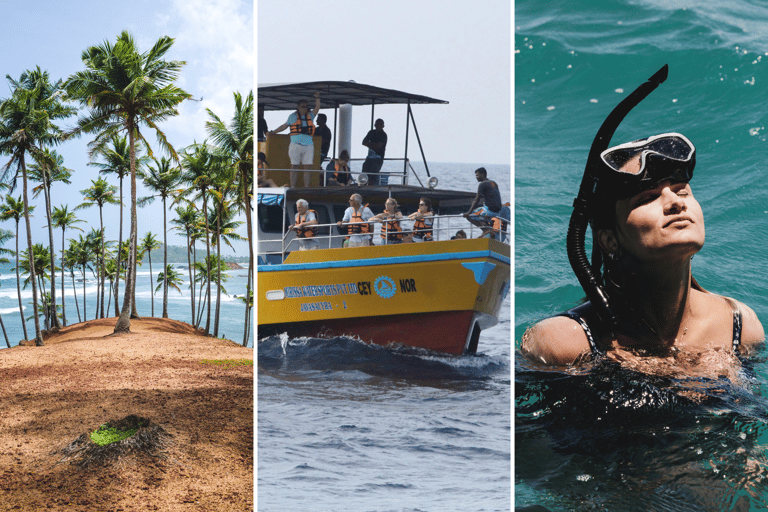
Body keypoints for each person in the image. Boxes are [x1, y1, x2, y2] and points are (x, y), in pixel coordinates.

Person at [268, 92, 322, 188]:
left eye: (305, 106)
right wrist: (273, 132)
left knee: (307, 167)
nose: (304, 108)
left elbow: (317, 108)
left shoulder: (310, 115)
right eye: (302, 106)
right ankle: (292, 187)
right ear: (298, 107)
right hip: (295, 144)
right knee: (294, 166)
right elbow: (284, 126)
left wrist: (317, 97)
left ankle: (306, 188)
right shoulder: (292, 116)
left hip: (308, 145)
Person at [463, 167, 503, 237]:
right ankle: (490, 232)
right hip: (498, 211)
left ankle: (486, 230)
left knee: (470, 215)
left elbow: (476, 200)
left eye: (477, 175)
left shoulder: (482, 184)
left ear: (483, 175)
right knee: (481, 212)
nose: (476, 177)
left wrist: (468, 212)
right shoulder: (493, 183)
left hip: (490, 210)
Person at [361, 118, 387, 186]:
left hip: (378, 159)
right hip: (369, 158)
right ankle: (364, 187)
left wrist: (370, 144)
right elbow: (363, 142)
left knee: (373, 174)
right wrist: (374, 145)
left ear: (383, 126)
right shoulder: (371, 132)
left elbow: (379, 146)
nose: (378, 126)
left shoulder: (383, 135)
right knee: (364, 172)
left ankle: (370, 188)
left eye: (380, 124)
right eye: (377, 124)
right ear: (374, 125)